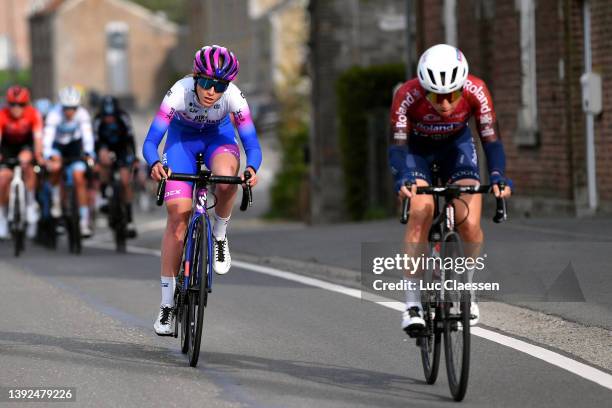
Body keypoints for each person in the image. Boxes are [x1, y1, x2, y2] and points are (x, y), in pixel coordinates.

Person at [388, 44, 512, 333]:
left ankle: (467, 291)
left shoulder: (476, 90)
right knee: (421, 210)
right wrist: (403, 179)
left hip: (456, 149)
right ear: (423, 88)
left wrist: (498, 176)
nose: (444, 104)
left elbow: (491, 140)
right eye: (436, 96)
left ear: (462, 86)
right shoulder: (407, 95)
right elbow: (397, 146)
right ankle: (413, 305)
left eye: (451, 95)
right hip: (416, 152)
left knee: (468, 221)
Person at [143, 45, 262, 335]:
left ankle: (219, 235)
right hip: (181, 141)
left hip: (217, 139)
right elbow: (150, 141)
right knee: (177, 216)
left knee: (226, 179)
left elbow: (252, 145)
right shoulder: (178, 92)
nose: (211, 91)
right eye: (207, 82)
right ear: (196, 77)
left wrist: (251, 170)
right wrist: (155, 163)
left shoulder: (234, 98)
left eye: (219, 85)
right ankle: (167, 305)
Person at [43, 86, 95, 237]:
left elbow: (87, 136)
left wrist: (89, 153)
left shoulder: (83, 114)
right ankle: (56, 200)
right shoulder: (54, 114)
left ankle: (84, 221)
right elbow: (48, 137)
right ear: (61, 106)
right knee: (55, 167)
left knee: (79, 178)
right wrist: (47, 156)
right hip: (57, 147)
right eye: (66, 108)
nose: (69, 112)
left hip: (74, 147)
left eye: (73, 108)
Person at [0, 86, 44, 239]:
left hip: (26, 145)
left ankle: (30, 203)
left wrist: (37, 154)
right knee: (3, 178)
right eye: (12, 104)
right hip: (7, 147)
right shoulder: (2, 115)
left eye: (20, 105)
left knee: (29, 167)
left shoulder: (33, 114)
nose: (16, 108)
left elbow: (38, 138)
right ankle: (2, 218)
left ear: (27, 104)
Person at [93, 95, 137, 236]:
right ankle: (105, 195)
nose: (109, 119)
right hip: (105, 147)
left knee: (125, 181)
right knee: (104, 159)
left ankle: (129, 219)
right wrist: (97, 158)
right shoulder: (97, 120)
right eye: (106, 116)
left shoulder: (123, 117)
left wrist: (134, 156)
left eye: (111, 116)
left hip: (122, 148)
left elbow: (131, 138)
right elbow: (95, 141)